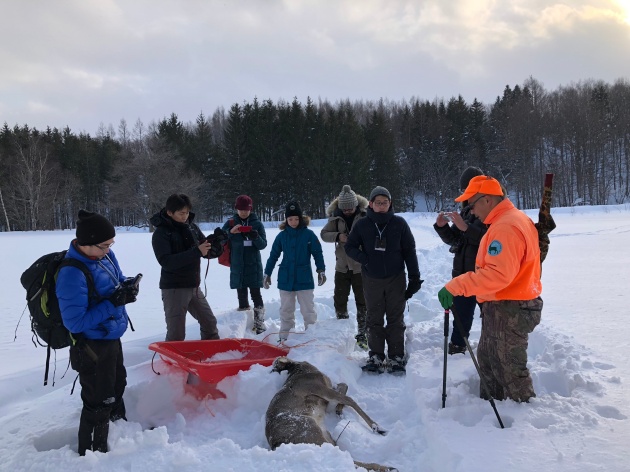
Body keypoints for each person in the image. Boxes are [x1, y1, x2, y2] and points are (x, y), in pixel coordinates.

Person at [437, 175, 543, 402]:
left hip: (510, 308)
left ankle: (522, 421)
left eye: (472, 204)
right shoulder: (506, 221)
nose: (471, 211)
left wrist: (457, 285)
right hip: (503, 305)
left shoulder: (506, 227)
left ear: (487, 200)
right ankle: (489, 412)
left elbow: (497, 275)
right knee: (488, 362)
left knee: (509, 370)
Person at [56, 210, 136, 455]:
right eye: (104, 245)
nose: (109, 249)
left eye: (111, 244)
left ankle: (119, 431)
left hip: (111, 335)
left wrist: (127, 287)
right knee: (98, 398)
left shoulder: (105, 256)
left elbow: (117, 279)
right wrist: (113, 303)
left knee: (117, 384)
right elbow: (75, 323)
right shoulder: (71, 274)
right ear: (85, 243)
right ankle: (92, 452)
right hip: (91, 345)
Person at [345, 186, 422, 375]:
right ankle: (376, 356)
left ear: (390, 204)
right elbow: (350, 246)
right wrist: (364, 259)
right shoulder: (362, 225)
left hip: (396, 277)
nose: (381, 206)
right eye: (378, 202)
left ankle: (396, 356)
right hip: (372, 279)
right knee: (374, 318)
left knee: (396, 318)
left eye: (385, 202)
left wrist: (414, 277)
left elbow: (409, 252)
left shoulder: (400, 224)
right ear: (371, 204)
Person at [150, 193, 220, 342]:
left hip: (194, 286)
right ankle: (172, 363)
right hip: (174, 288)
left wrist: (216, 244)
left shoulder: (191, 227)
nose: (185, 216)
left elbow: (204, 249)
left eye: (187, 212)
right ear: (170, 212)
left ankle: (212, 354)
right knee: (176, 333)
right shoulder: (161, 233)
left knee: (210, 323)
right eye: (181, 213)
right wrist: (197, 251)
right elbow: (167, 262)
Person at [433, 166, 487, 354]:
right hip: (462, 274)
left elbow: (490, 240)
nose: (467, 194)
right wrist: (443, 228)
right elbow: (455, 239)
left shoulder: (491, 210)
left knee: (490, 317)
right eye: (464, 190)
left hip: (484, 276)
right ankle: (457, 346)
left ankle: (491, 349)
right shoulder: (466, 211)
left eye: (470, 190)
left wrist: (466, 228)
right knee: (461, 315)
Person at [263, 201, 326, 342]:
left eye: (296, 219)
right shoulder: (281, 236)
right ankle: (285, 338)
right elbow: (273, 255)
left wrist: (321, 270)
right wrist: (267, 273)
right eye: (290, 219)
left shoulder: (309, 235)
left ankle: (311, 338)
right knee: (286, 311)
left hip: (304, 279)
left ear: (301, 218)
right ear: (286, 219)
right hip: (286, 279)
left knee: (308, 311)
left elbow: (318, 253)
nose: (293, 222)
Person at [320, 184, 369, 349]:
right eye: (345, 209)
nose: (348, 211)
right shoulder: (335, 218)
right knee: (340, 299)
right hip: (342, 266)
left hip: (360, 266)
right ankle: (342, 330)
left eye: (351, 208)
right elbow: (323, 235)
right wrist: (338, 236)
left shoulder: (364, 216)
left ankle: (363, 333)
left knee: (363, 300)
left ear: (356, 205)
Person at [222, 195, 268, 333]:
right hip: (238, 264)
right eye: (241, 209)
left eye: (246, 209)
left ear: (251, 209)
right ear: (236, 209)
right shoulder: (230, 223)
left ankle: (259, 322)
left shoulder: (257, 224)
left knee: (256, 294)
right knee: (241, 293)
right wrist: (231, 232)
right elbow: (220, 239)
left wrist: (255, 237)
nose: (243, 212)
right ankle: (243, 322)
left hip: (253, 265)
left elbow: (263, 245)